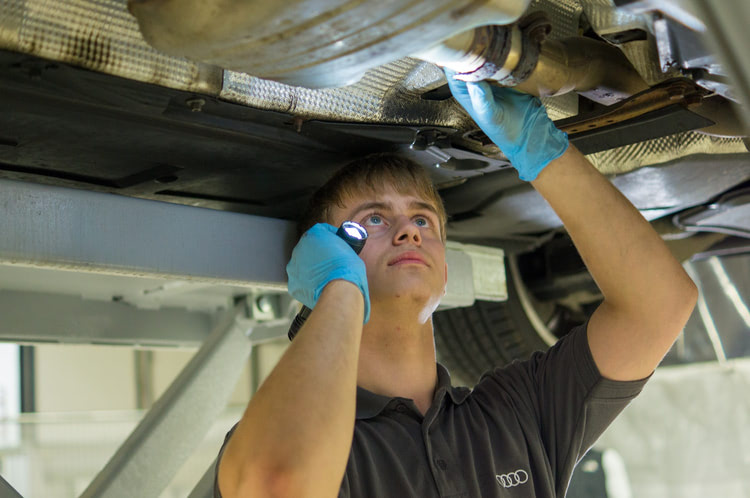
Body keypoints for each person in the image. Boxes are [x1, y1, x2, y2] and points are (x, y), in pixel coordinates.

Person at [214, 71, 698, 497]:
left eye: (423, 221)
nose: (408, 231)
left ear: (444, 272)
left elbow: (659, 304)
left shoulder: (515, 415)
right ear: (321, 264)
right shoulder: (319, 444)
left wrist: (539, 147)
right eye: (373, 222)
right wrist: (339, 291)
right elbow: (275, 482)